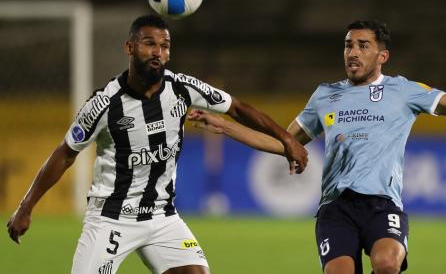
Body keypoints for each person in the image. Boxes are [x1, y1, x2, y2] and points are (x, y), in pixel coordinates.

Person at [187, 20, 446, 274]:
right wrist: (225, 126)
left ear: (382, 56)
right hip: (336, 208)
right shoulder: (325, 96)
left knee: (388, 264)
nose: (353, 52)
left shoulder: (403, 91)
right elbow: (283, 141)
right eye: (348, 45)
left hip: (382, 204)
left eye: (363, 45)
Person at [6, 14, 308, 274]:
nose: (158, 52)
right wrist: (26, 207)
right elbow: (65, 154)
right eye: (149, 43)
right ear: (129, 47)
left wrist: (286, 139)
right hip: (111, 218)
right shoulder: (104, 104)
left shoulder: (182, 88)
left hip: (163, 217)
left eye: (164, 46)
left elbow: (238, 108)